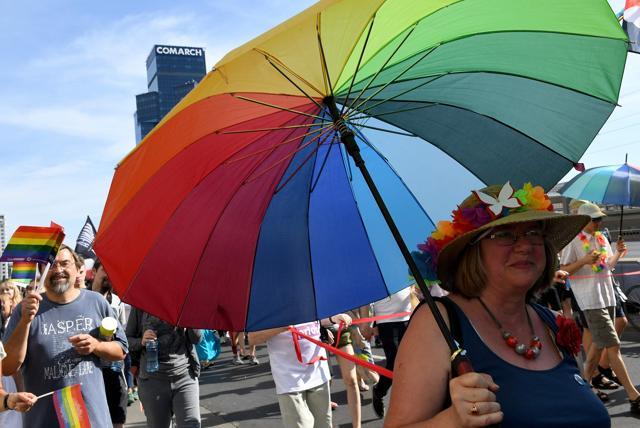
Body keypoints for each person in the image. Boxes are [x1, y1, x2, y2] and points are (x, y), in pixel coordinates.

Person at [385, 182, 612, 427]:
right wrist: (450, 421)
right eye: (503, 234)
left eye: (534, 232)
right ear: (472, 252)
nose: (525, 245)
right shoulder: (439, 323)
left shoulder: (552, 323)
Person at [3, 244, 128, 427]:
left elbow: (121, 350)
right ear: (41, 270)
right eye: (51, 264)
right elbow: (7, 367)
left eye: (65, 263)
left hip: (93, 419)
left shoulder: (97, 302)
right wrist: (25, 321)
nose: (58, 269)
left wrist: (96, 346)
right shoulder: (25, 309)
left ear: (78, 270)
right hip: (44, 420)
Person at [559, 202, 640, 409]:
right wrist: (584, 260)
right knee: (613, 346)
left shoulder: (601, 237)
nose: (598, 222)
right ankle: (634, 396)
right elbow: (564, 271)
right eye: (594, 219)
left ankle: (583, 386)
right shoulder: (573, 241)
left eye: (599, 218)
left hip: (607, 297)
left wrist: (618, 254)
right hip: (590, 299)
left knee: (597, 345)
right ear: (584, 220)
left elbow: (606, 267)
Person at [249, 313, 351, 428]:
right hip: (290, 380)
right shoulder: (267, 304)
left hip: (318, 374)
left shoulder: (308, 297)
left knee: (324, 425)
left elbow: (315, 319)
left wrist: (333, 319)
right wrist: (282, 326)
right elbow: (252, 338)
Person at [126, 308, 202, 428]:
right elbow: (127, 341)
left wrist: (190, 318)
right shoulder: (141, 304)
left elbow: (197, 339)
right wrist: (142, 341)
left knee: (191, 425)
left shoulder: (184, 300)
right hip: (152, 381)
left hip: (185, 376)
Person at [360, 288, 412, 418]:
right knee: (395, 362)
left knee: (410, 361)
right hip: (386, 320)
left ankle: (410, 402)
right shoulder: (373, 269)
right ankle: (380, 391)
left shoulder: (403, 267)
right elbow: (365, 297)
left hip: (408, 316)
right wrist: (365, 324)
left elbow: (412, 287)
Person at [92, 259, 128, 428]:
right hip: (91, 372)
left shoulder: (118, 303)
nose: (108, 276)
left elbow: (124, 340)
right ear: (93, 272)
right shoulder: (82, 299)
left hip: (114, 371)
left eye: (111, 271)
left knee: (117, 420)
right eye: (104, 270)